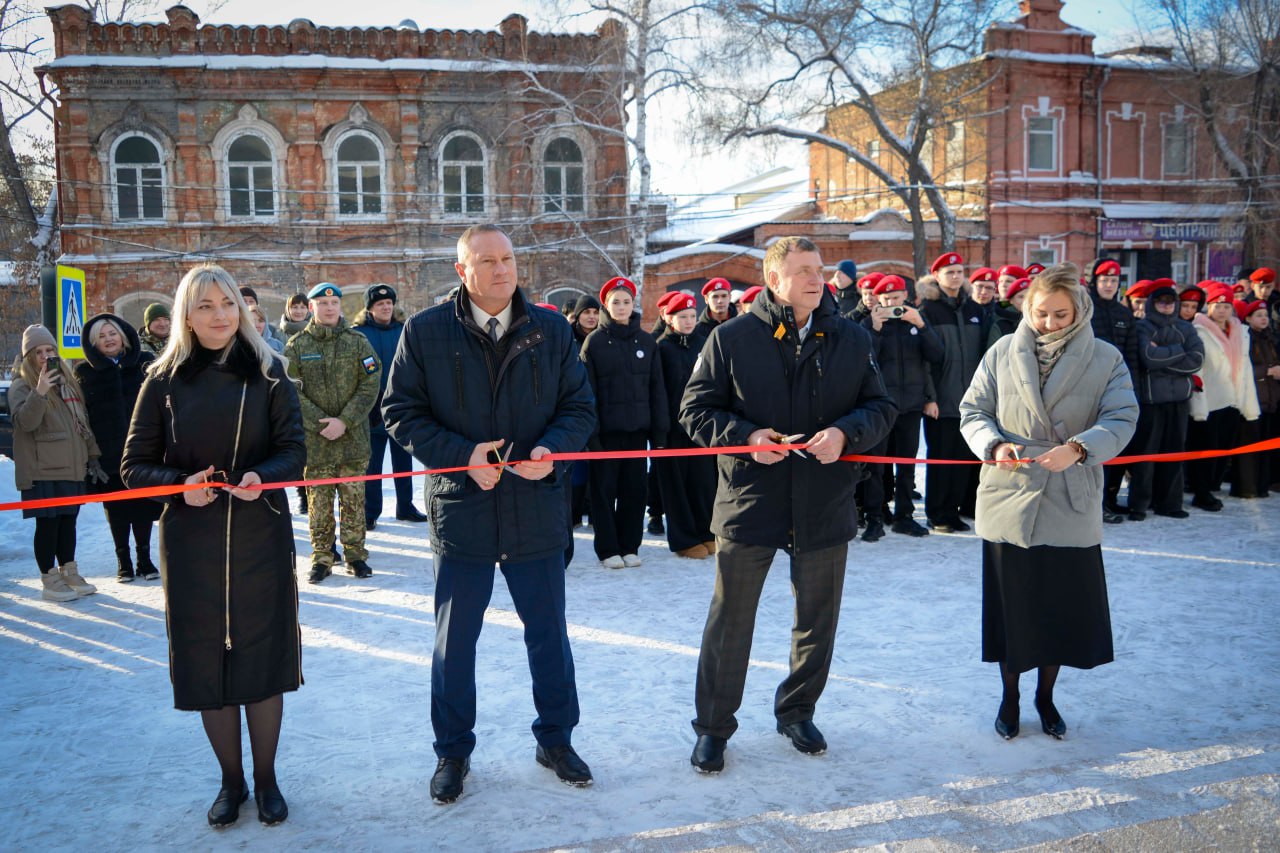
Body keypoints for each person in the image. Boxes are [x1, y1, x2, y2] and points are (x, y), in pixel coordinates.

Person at [382, 223, 596, 804]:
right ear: (462, 270)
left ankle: (557, 739)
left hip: (535, 509)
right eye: (487, 261)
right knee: (455, 645)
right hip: (463, 512)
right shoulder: (426, 331)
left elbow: (580, 408)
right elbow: (399, 412)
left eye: (508, 259)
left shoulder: (551, 329)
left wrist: (552, 451)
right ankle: (452, 752)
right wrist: (460, 456)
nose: (502, 270)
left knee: (549, 636)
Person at [680, 236, 896, 773]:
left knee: (816, 620)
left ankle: (797, 710)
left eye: (818, 269)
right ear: (774, 279)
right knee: (730, 622)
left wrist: (846, 434)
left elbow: (880, 406)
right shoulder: (731, 338)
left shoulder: (850, 337)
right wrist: (747, 437)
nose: (815, 279)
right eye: (802, 271)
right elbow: (695, 410)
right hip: (750, 500)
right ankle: (713, 728)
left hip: (824, 500)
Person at [120, 263, 306, 828]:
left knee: (261, 659)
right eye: (205, 305)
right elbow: (133, 466)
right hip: (192, 543)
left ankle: (267, 780)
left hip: (259, 536)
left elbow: (294, 451)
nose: (220, 315)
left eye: (227, 303)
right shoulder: (161, 381)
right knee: (208, 663)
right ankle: (231, 781)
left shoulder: (270, 372)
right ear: (187, 315)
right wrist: (179, 486)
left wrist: (262, 476)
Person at [959, 264, 1138, 742]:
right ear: (1027, 308)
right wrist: (995, 445)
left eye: (1061, 314)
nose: (1049, 323)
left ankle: (1045, 696)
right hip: (1010, 492)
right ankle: (1010, 696)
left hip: (1068, 495)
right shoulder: (1002, 352)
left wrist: (1079, 448)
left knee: (1057, 609)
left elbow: (1122, 416)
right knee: (1012, 608)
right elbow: (973, 410)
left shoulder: (1105, 357)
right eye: (1041, 313)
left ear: (1079, 310)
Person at [284, 282, 380, 582]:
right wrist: (322, 423)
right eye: (323, 304)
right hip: (317, 443)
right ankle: (322, 557)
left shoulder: (358, 342)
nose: (329, 308)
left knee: (353, 502)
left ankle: (355, 555)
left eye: (334, 303)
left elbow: (371, 383)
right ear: (312, 307)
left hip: (353, 440)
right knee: (319, 504)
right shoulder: (297, 346)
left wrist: (345, 420)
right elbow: (291, 391)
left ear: (340, 306)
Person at [10, 325, 103, 601]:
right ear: (28, 357)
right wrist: (39, 391)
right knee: (48, 525)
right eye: (38, 352)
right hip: (42, 470)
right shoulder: (21, 385)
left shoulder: (67, 383)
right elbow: (25, 423)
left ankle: (69, 572)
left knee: (68, 522)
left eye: (49, 350)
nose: (45, 356)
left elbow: (82, 424)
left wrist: (93, 456)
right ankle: (50, 580)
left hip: (71, 466)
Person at [580, 275, 667, 568]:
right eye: (615, 302)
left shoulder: (646, 342)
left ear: (633, 304)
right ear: (606, 305)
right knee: (604, 493)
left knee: (634, 492)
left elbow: (657, 390)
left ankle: (630, 546)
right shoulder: (594, 343)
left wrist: (659, 433)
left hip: (636, 432)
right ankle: (608, 549)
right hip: (605, 434)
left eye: (626, 302)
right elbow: (586, 393)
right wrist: (591, 435)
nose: (621, 307)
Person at [75, 314, 162, 582]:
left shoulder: (145, 362)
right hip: (108, 453)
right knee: (117, 508)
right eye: (101, 336)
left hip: (143, 449)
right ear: (93, 343)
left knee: (144, 505)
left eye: (112, 333)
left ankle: (145, 559)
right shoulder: (85, 372)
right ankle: (123, 561)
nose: (108, 339)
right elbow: (83, 415)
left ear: (123, 336)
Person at [861, 274, 943, 539]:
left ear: (905, 296)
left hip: (911, 405)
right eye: (886, 299)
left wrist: (921, 325)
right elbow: (864, 360)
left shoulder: (916, 320)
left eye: (895, 298)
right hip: (880, 407)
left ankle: (904, 516)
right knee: (876, 466)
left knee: (907, 465)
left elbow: (935, 356)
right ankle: (874, 517)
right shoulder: (870, 323)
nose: (891, 304)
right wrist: (874, 329)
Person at [918, 252, 987, 532]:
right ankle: (937, 513)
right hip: (941, 398)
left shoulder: (974, 309)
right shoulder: (928, 310)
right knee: (941, 458)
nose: (956, 276)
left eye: (959, 271)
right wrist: (929, 397)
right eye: (949, 272)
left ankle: (953, 510)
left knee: (962, 458)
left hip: (970, 400)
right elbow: (923, 359)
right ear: (936, 276)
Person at [1127, 283, 1204, 519]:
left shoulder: (1186, 328)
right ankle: (1139, 504)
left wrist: (1164, 355)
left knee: (1174, 453)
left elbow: (1197, 360)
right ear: (1153, 303)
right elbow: (1148, 358)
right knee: (1146, 454)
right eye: (1161, 302)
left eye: (1170, 302)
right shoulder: (1142, 327)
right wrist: (1179, 351)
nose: (1167, 306)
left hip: (1179, 401)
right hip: (1152, 401)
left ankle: (1170, 503)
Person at [353, 284, 427, 528]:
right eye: (379, 304)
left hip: (402, 408)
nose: (386, 307)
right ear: (370, 308)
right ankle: (370, 511)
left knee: (403, 462)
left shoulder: (405, 330)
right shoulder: (359, 334)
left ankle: (405, 506)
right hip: (372, 409)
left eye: (388, 303)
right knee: (373, 465)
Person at [1187, 284, 1261, 510]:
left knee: (1224, 449)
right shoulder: (1199, 330)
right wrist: (1198, 404)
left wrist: (1249, 404)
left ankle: (1211, 487)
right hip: (1209, 400)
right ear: (1209, 307)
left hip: (1233, 399)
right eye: (1217, 306)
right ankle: (1201, 491)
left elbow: (1245, 368)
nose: (1222, 311)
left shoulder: (1240, 331)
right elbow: (1197, 369)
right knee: (1205, 449)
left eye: (1227, 306)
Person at [654, 292, 716, 558]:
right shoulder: (661, 348)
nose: (689, 321)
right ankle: (684, 541)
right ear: (670, 319)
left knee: (703, 484)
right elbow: (657, 391)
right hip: (672, 430)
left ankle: (706, 533)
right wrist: (660, 429)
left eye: (692, 316)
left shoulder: (704, 343)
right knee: (676, 487)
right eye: (683, 317)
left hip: (700, 427)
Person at [1088, 259, 1139, 523]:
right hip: (1091, 388)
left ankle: (1110, 499)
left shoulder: (1123, 314)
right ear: (1095, 282)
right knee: (1094, 446)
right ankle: (1095, 504)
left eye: (1113, 280)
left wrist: (1133, 389)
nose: (1109, 285)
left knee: (1116, 445)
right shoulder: (1086, 310)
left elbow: (1132, 355)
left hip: (1117, 387)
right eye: (1104, 280)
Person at [1232, 299, 1278, 497]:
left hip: (1270, 400)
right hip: (1253, 399)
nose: (1264, 319)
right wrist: (1268, 371)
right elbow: (1243, 368)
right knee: (1248, 447)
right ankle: (1246, 487)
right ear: (1248, 318)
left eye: (1266, 315)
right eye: (1259, 315)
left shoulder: (1270, 339)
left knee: (1265, 448)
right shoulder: (1246, 338)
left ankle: (1262, 486)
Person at [692, 277, 736, 348]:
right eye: (715, 297)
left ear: (730, 297)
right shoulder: (697, 330)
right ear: (706, 299)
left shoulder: (740, 324)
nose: (720, 301)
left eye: (724, 296)